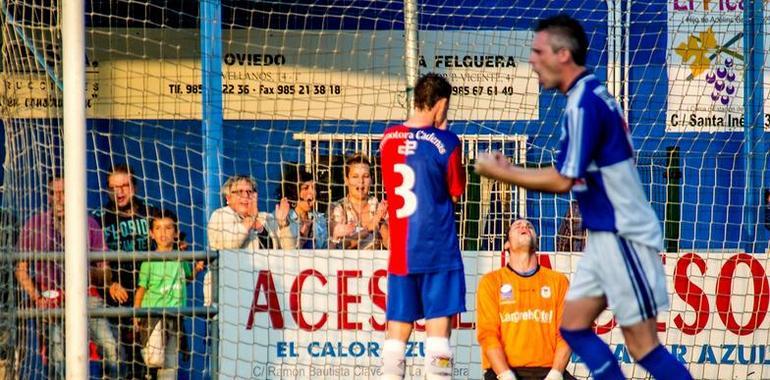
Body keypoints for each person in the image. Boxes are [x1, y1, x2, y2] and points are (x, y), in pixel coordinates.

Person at [474, 15, 692, 380]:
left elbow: (562, 180)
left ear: (562, 55)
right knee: (572, 327)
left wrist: (504, 172)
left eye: (537, 51)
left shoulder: (583, 104)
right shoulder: (590, 95)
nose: (532, 60)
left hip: (623, 235)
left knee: (643, 347)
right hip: (606, 236)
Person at [379, 73, 466, 379]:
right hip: (436, 249)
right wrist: (442, 130)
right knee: (438, 335)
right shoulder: (447, 142)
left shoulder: (387, 140)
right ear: (440, 104)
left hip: (402, 252)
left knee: (397, 333)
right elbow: (455, 191)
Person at [16, 177, 120, 378]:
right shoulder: (34, 224)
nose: (60, 199)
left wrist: (83, 272)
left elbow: (105, 271)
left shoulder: (89, 223)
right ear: (48, 197)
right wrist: (37, 297)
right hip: (50, 298)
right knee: (56, 353)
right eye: (55, 193)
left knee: (110, 346)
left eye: (64, 193)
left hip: (86, 296)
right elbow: (21, 270)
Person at [477, 219, 573, 380]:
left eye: (529, 226)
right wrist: (505, 375)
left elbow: (566, 334)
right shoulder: (491, 282)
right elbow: (488, 335)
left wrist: (556, 374)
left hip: (548, 371)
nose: (524, 227)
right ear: (507, 244)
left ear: (536, 242)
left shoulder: (558, 281)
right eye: (518, 226)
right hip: (505, 371)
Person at [91, 163, 161, 379]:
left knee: (150, 363)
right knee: (116, 358)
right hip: (114, 301)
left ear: (135, 187)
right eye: (113, 187)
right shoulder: (97, 219)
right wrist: (108, 283)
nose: (119, 192)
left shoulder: (153, 215)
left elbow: (172, 248)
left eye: (124, 186)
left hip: (149, 299)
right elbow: (87, 264)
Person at [133, 209, 204, 380]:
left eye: (168, 228)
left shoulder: (180, 257)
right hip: (154, 316)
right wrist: (136, 313)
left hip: (175, 315)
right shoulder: (149, 260)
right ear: (151, 233)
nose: (163, 233)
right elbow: (141, 289)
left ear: (176, 232)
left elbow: (186, 277)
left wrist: (197, 269)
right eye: (158, 228)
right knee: (155, 358)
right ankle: (146, 373)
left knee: (170, 364)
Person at [329, 154, 389, 250]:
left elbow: (392, 245)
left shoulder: (379, 207)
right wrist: (369, 228)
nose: (361, 181)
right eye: (355, 176)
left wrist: (381, 222)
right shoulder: (337, 208)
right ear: (346, 180)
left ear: (371, 180)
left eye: (365, 176)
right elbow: (339, 246)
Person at [271, 169, 328, 249]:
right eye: (306, 188)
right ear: (294, 192)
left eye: (314, 188)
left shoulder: (320, 219)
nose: (312, 192)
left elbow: (326, 249)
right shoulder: (281, 217)